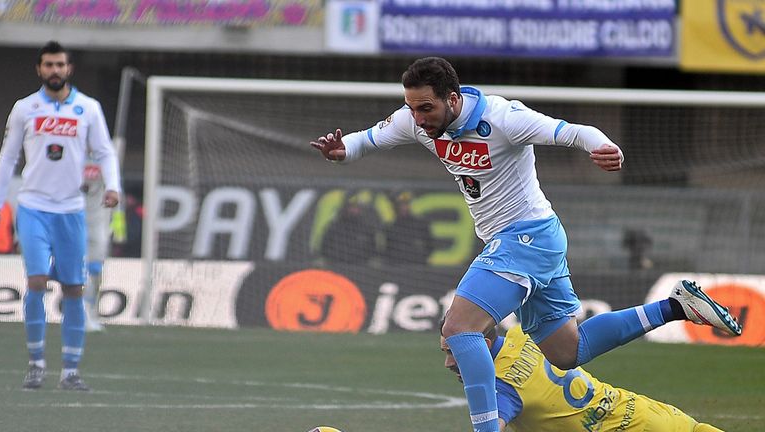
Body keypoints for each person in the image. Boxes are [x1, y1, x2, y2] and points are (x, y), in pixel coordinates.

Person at [310, 57, 742, 432]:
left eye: (427, 107)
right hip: (535, 240)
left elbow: (573, 131)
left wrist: (603, 146)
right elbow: (364, 141)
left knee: (460, 329)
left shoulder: (502, 117)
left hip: (525, 236)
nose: (419, 118)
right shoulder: (415, 119)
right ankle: (675, 307)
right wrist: (339, 150)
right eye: (412, 108)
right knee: (567, 351)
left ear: (454, 98)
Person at [0, 41, 121, 391]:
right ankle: (36, 364)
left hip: (70, 210)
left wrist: (113, 186)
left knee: (73, 288)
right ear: (39, 69)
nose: (55, 70)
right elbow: (7, 158)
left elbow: (105, 152)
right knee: (36, 281)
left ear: (69, 69)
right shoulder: (25, 108)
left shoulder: (88, 109)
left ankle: (70, 371)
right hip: (34, 207)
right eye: (48, 64)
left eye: (60, 65)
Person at [440, 323, 725, 432]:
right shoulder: (523, 333)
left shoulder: (501, 389)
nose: (448, 362)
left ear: (484, 346)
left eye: (453, 353)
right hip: (649, 414)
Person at [82, 158, 112, 332]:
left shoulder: (106, 157)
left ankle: (92, 312)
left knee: (95, 270)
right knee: (80, 271)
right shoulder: (71, 152)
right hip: (74, 221)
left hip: (98, 223)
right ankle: (82, 313)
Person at [382, 190, 433, 265]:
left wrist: (420, 258)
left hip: (417, 268)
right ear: (395, 206)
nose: (404, 208)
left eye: (406, 204)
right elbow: (386, 250)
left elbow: (430, 246)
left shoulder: (421, 224)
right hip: (396, 269)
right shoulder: (390, 227)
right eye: (401, 205)